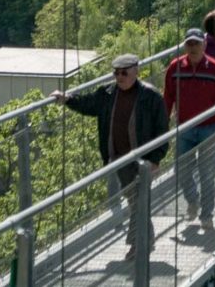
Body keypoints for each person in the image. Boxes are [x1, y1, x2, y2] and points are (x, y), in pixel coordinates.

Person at [53, 54, 168, 259]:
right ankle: (145, 241)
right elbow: (88, 104)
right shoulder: (107, 93)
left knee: (138, 201)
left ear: (136, 71)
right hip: (119, 159)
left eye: (124, 72)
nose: (119, 77)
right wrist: (68, 99)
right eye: (116, 73)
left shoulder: (151, 96)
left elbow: (162, 130)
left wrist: (155, 159)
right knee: (136, 202)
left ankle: (138, 245)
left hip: (143, 160)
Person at [164, 29, 215, 231]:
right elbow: (168, 97)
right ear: (185, 46)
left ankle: (207, 216)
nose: (192, 48)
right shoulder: (175, 67)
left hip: (210, 128)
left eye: (196, 44)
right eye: (189, 44)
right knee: (181, 170)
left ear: (204, 45)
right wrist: (163, 125)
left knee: (207, 174)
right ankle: (193, 200)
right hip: (184, 128)